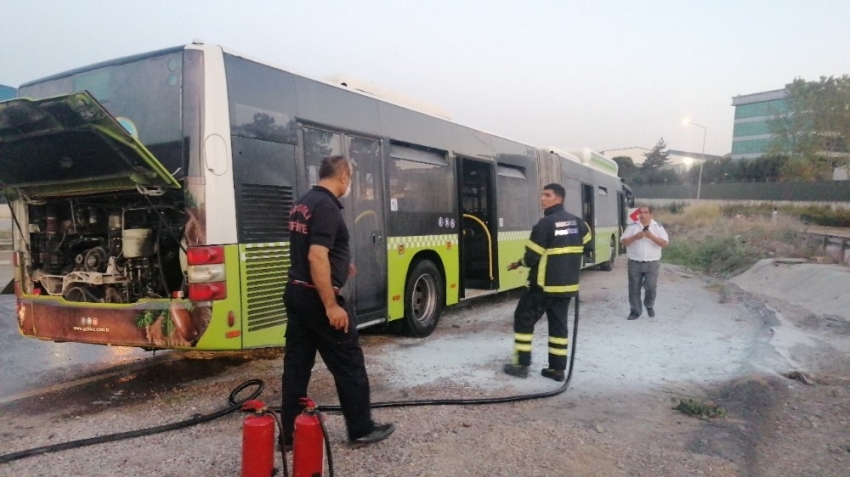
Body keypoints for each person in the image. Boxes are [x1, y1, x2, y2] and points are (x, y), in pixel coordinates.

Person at [281, 155, 394, 448]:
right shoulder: (328, 206)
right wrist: (331, 305)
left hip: (296, 293)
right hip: (317, 299)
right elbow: (316, 255)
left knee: (297, 365)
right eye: (351, 177)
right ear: (344, 174)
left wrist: (342, 267)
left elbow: (315, 252)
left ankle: (289, 435)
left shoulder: (303, 203)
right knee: (349, 363)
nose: (350, 183)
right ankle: (361, 429)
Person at [503, 183, 592, 381]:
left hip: (542, 286)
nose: (542, 198)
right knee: (558, 327)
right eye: (542, 195)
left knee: (523, 321)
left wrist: (519, 263)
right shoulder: (579, 223)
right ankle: (557, 370)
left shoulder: (544, 225)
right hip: (568, 287)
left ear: (559, 198)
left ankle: (521, 365)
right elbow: (588, 247)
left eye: (547, 195)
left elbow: (532, 257)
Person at [620, 205, 669, 320]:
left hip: (652, 263)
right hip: (635, 262)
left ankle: (649, 305)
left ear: (650, 214)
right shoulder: (633, 227)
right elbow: (623, 241)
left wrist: (651, 236)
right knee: (634, 288)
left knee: (650, 286)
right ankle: (635, 311)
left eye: (646, 212)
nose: (642, 215)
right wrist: (635, 237)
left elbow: (664, 243)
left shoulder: (657, 227)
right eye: (641, 213)